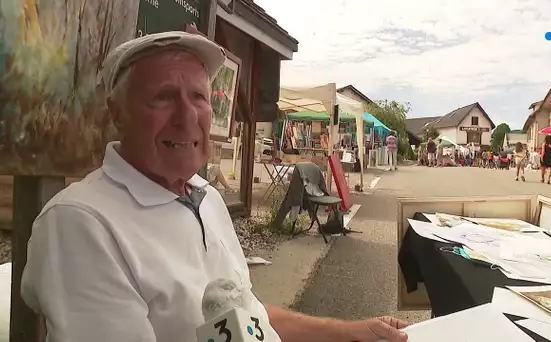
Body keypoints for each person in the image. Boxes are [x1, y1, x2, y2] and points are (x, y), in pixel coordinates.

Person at [20, 32, 408, 342]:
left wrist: (350, 334)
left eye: (200, 97)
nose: (187, 117)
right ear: (117, 112)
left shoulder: (203, 195)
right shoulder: (79, 224)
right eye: (163, 97)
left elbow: (246, 317)